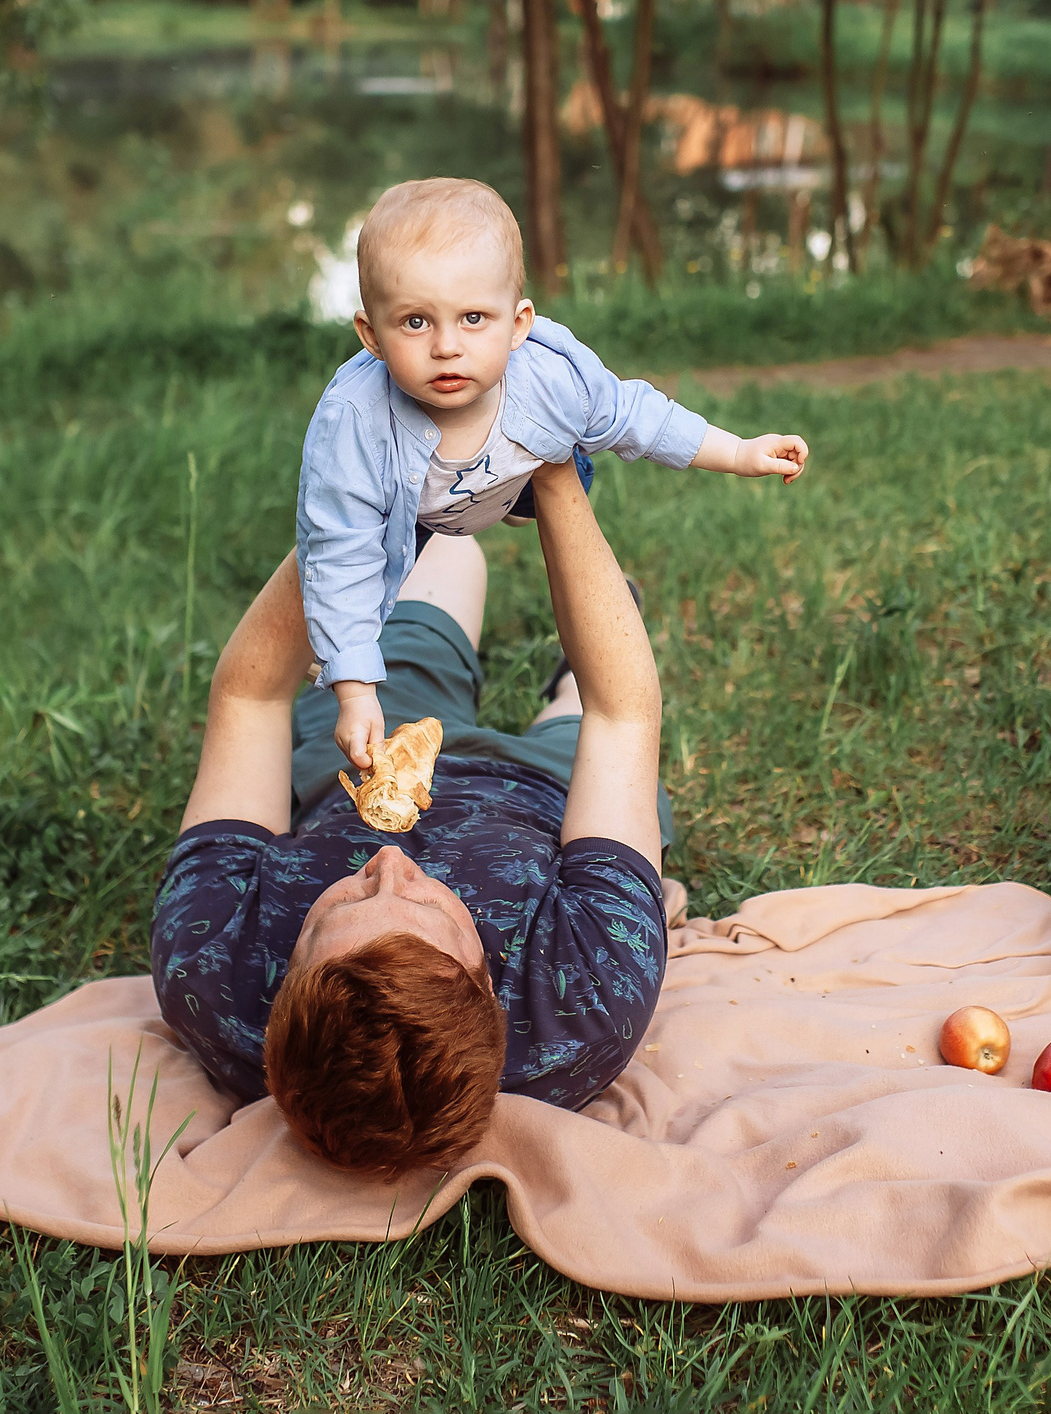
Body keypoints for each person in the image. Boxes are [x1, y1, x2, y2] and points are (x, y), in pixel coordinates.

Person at [151, 459, 674, 1176]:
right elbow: (624, 715)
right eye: (427, 906)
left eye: (347, 903)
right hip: (551, 795)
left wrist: (375, 500)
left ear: (286, 980)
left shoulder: (209, 970)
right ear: (489, 987)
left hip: (366, 749)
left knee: (449, 554)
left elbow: (252, 698)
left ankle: (479, 608)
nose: (391, 862)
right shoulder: (591, 993)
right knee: (590, 698)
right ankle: (572, 671)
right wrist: (554, 475)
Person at [301, 176, 806, 774]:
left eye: (473, 318)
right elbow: (339, 549)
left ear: (518, 323)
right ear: (371, 336)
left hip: (517, 475)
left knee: (564, 465)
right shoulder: (355, 423)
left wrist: (740, 452)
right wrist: (354, 690)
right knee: (357, 592)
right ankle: (372, 631)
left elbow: (637, 415)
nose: (446, 346)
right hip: (412, 506)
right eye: (414, 322)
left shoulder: (550, 376)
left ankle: (536, 518)